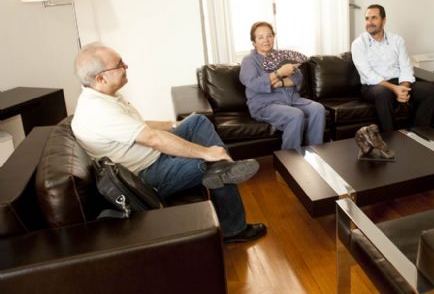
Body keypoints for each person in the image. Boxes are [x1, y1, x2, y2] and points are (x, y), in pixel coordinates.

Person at [71, 43, 266, 243]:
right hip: (147, 175)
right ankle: (233, 228)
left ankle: (224, 168)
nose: (126, 66)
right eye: (119, 64)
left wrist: (175, 124)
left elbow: (140, 125)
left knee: (197, 122)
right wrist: (207, 152)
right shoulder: (98, 110)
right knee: (214, 163)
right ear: (101, 78)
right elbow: (153, 139)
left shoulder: (106, 97)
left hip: (151, 157)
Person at [351, 4, 434, 132]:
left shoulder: (397, 40)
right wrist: (394, 89)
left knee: (431, 91)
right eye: (367, 18)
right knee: (383, 93)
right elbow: (368, 75)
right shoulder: (358, 44)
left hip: (398, 82)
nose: (369, 22)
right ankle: (391, 138)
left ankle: (417, 134)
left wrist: (403, 88)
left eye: (374, 18)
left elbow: (406, 67)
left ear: (384, 20)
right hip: (373, 86)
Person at [239, 21, 325, 150]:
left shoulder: (281, 55)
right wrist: (279, 73)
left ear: (273, 37)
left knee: (318, 109)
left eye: (269, 36)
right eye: (260, 37)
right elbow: (254, 84)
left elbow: (298, 77)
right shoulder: (249, 61)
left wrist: (281, 82)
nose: (266, 40)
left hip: (291, 99)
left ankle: (315, 151)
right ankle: (289, 159)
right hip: (265, 104)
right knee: (295, 115)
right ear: (254, 42)